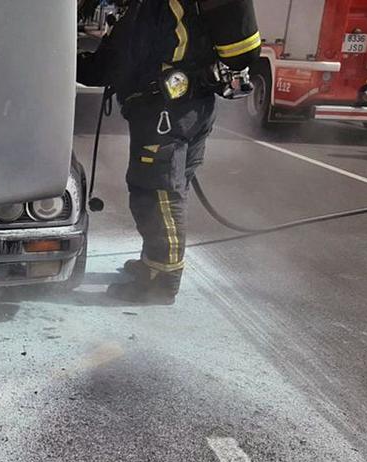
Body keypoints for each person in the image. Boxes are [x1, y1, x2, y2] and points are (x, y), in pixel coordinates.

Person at [77, 0, 260, 304]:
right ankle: (153, 263)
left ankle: (162, 280)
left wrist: (63, 60)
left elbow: (112, 63)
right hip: (190, 107)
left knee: (157, 192)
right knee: (169, 190)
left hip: (165, 113)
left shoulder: (151, 7)